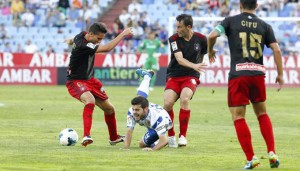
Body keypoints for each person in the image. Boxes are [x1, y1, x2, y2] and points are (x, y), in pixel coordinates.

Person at [207, 0, 283, 169]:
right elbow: (277, 50)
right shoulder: (265, 25)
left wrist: (210, 50)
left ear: (240, 5)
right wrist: (280, 74)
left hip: (238, 75)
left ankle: (252, 158)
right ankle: (272, 152)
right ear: (256, 6)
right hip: (257, 74)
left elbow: (212, 35)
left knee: (238, 117)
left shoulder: (230, 21)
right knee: (262, 114)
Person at [64, 22, 133, 147]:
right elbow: (107, 48)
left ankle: (114, 138)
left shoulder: (82, 35)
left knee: (109, 109)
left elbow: (74, 39)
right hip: (75, 81)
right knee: (89, 100)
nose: (99, 42)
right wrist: (123, 34)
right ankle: (86, 136)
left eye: (101, 39)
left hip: (91, 80)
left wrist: (69, 41)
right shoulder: (84, 46)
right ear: (91, 35)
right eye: (98, 39)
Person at [164, 14, 207, 148]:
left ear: (188, 27)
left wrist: (211, 54)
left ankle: (182, 136)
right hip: (174, 74)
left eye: (179, 27)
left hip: (191, 75)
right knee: (167, 104)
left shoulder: (201, 39)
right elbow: (179, 59)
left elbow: (203, 53)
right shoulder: (173, 39)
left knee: (185, 99)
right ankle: (171, 136)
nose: (177, 29)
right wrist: (195, 65)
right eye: (176, 26)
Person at [123, 69, 173, 151]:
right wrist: (125, 149)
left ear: (146, 109)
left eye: (137, 110)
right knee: (140, 98)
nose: (134, 112)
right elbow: (129, 130)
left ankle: (147, 76)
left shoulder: (157, 119)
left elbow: (164, 140)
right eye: (133, 109)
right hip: (149, 118)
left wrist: (152, 150)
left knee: (141, 144)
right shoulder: (132, 111)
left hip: (164, 122)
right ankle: (147, 76)